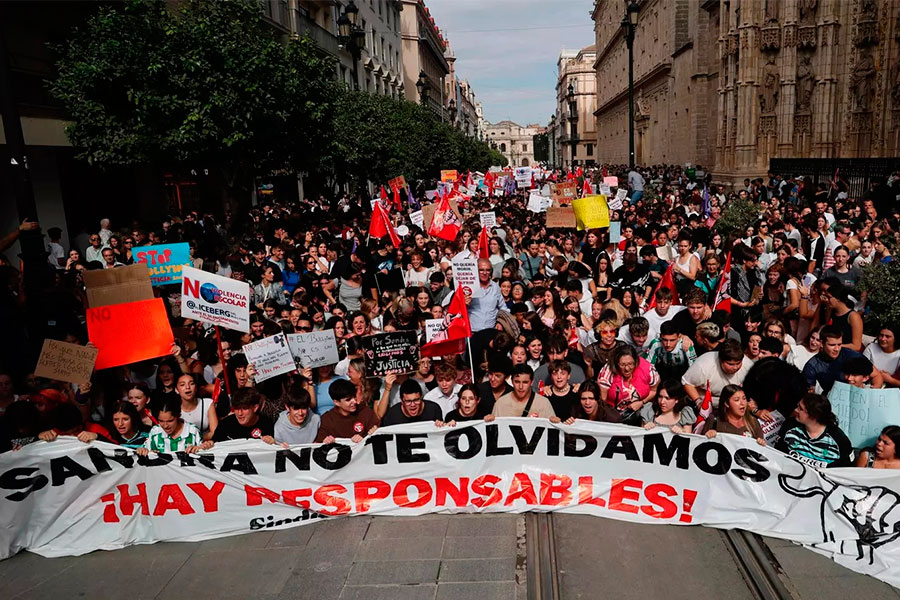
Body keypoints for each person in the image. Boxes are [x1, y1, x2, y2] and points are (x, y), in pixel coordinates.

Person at [776, 393, 853, 468]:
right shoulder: (789, 426)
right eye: (797, 406)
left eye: (800, 408)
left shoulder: (839, 439)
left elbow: (847, 469)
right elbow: (777, 453)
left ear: (814, 415)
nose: (796, 410)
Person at [802, 326, 881, 393]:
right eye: (832, 345)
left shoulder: (852, 355)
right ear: (822, 344)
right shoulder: (812, 366)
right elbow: (809, 393)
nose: (836, 349)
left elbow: (876, 375)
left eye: (839, 344)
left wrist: (872, 393)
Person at [682, 339, 753, 406]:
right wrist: (698, 402)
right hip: (706, 401)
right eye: (730, 364)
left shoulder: (748, 366)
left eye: (738, 363)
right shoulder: (703, 365)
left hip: (733, 404)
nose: (735, 367)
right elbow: (687, 383)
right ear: (720, 360)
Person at [598, 344, 660, 422]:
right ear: (616, 363)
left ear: (636, 361)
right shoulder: (607, 371)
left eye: (630, 364)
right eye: (622, 365)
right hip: (614, 412)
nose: (627, 369)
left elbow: (654, 391)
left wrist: (641, 402)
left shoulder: (647, 369)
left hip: (642, 408)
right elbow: (602, 401)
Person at [138, 399, 213, 455]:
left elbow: (204, 453)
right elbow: (144, 450)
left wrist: (201, 448)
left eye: (170, 421)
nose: (165, 426)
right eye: (161, 421)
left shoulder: (193, 431)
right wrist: (143, 450)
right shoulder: (155, 432)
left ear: (178, 416)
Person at [315, 379, 380, 443]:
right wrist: (325, 441)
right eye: (348, 400)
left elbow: (377, 432)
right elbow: (319, 443)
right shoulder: (327, 419)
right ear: (336, 402)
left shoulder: (365, 412)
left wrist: (373, 432)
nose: (354, 401)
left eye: (354, 397)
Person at [701, 384, 765, 444]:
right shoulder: (714, 421)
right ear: (727, 404)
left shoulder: (752, 421)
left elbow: (761, 448)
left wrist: (761, 442)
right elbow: (701, 445)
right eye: (737, 400)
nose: (742, 403)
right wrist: (708, 436)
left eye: (744, 398)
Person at [490, 365, 558, 420]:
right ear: (512, 381)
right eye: (517, 382)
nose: (521, 386)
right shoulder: (501, 404)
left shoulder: (543, 403)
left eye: (525, 382)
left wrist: (555, 422)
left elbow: (552, 432)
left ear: (532, 382)